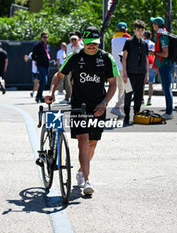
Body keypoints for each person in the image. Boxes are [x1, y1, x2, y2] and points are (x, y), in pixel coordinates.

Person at [44, 26, 118, 195]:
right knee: (83, 142)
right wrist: (51, 91)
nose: (92, 46)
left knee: (93, 143)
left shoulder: (106, 58)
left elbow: (113, 84)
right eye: (89, 43)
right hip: (79, 105)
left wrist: (105, 103)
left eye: (95, 43)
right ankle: (87, 180)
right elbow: (59, 75)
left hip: (98, 106)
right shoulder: (75, 57)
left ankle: (80, 171)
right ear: (83, 41)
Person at [122, 20, 149, 124]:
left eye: (142, 30)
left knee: (139, 96)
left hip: (141, 73)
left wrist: (147, 73)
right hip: (130, 73)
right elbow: (124, 57)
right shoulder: (128, 42)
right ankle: (126, 116)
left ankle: (136, 115)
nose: (140, 32)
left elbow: (146, 59)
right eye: (138, 30)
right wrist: (124, 73)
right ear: (134, 30)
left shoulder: (144, 44)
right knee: (128, 95)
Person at [148, 16, 175, 120]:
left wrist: (153, 53)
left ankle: (169, 113)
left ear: (157, 24)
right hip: (164, 65)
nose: (152, 25)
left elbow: (165, 54)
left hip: (165, 65)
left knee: (167, 89)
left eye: (153, 23)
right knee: (166, 89)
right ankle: (169, 112)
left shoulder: (162, 36)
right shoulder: (162, 33)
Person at [110, 22, 131, 117]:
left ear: (118, 29)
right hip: (125, 67)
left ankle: (120, 111)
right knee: (128, 88)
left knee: (121, 88)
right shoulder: (128, 39)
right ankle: (119, 107)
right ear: (126, 29)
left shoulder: (113, 40)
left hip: (116, 67)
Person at [60, 32, 84, 104]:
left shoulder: (82, 48)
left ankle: (80, 99)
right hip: (71, 68)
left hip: (80, 69)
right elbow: (67, 57)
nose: (73, 41)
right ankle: (72, 98)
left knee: (79, 84)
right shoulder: (69, 47)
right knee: (71, 84)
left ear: (78, 40)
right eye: (72, 39)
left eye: (75, 39)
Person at [32, 33, 51, 103]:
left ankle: (40, 96)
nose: (45, 38)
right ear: (41, 38)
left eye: (46, 37)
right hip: (41, 65)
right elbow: (34, 56)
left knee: (44, 81)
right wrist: (38, 60)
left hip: (46, 65)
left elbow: (47, 54)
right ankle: (38, 96)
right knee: (43, 79)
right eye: (44, 37)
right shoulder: (38, 46)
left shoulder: (48, 45)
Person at [143, 30, 156, 106]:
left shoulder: (141, 43)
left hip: (143, 65)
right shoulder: (153, 44)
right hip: (152, 64)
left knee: (142, 83)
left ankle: (142, 99)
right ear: (150, 36)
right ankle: (149, 99)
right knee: (151, 83)